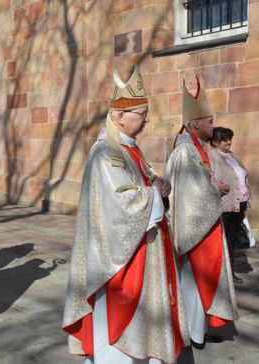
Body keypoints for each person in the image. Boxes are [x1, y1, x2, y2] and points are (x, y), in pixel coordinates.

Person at [62, 68, 188, 363]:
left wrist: (160, 185)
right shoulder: (105, 153)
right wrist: (156, 193)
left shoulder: (130, 150)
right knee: (120, 323)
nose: (147, 120)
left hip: (145, 249)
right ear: (120, 117)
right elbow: (119, 204)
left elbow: (146, 184)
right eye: (142, 114)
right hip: (120, 258)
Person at [166, 78, 238, 350]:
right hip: (193, 231)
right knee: (193, 284)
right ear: (195, 124)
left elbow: (196, 185)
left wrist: (211, 186)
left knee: (200, 283)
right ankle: (192, 335)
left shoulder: (196, 149)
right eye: (209, 121)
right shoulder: (186, 151)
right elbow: (189, 194)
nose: (212, 125)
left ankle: (197, 331)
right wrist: (214, 189)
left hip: (203, 227)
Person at [208, 127, 250, 284]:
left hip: (239, 203)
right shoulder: (210, 157)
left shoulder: (233, 156)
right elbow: (207, 177)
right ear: (214, 141)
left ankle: (229, 272)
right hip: (225, 205)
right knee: (225, 240)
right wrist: (216, 184)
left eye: (230, 138)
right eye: (224, 139)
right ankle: (223, 274)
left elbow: (242, 177)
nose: (229, 142)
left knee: (232, 240)